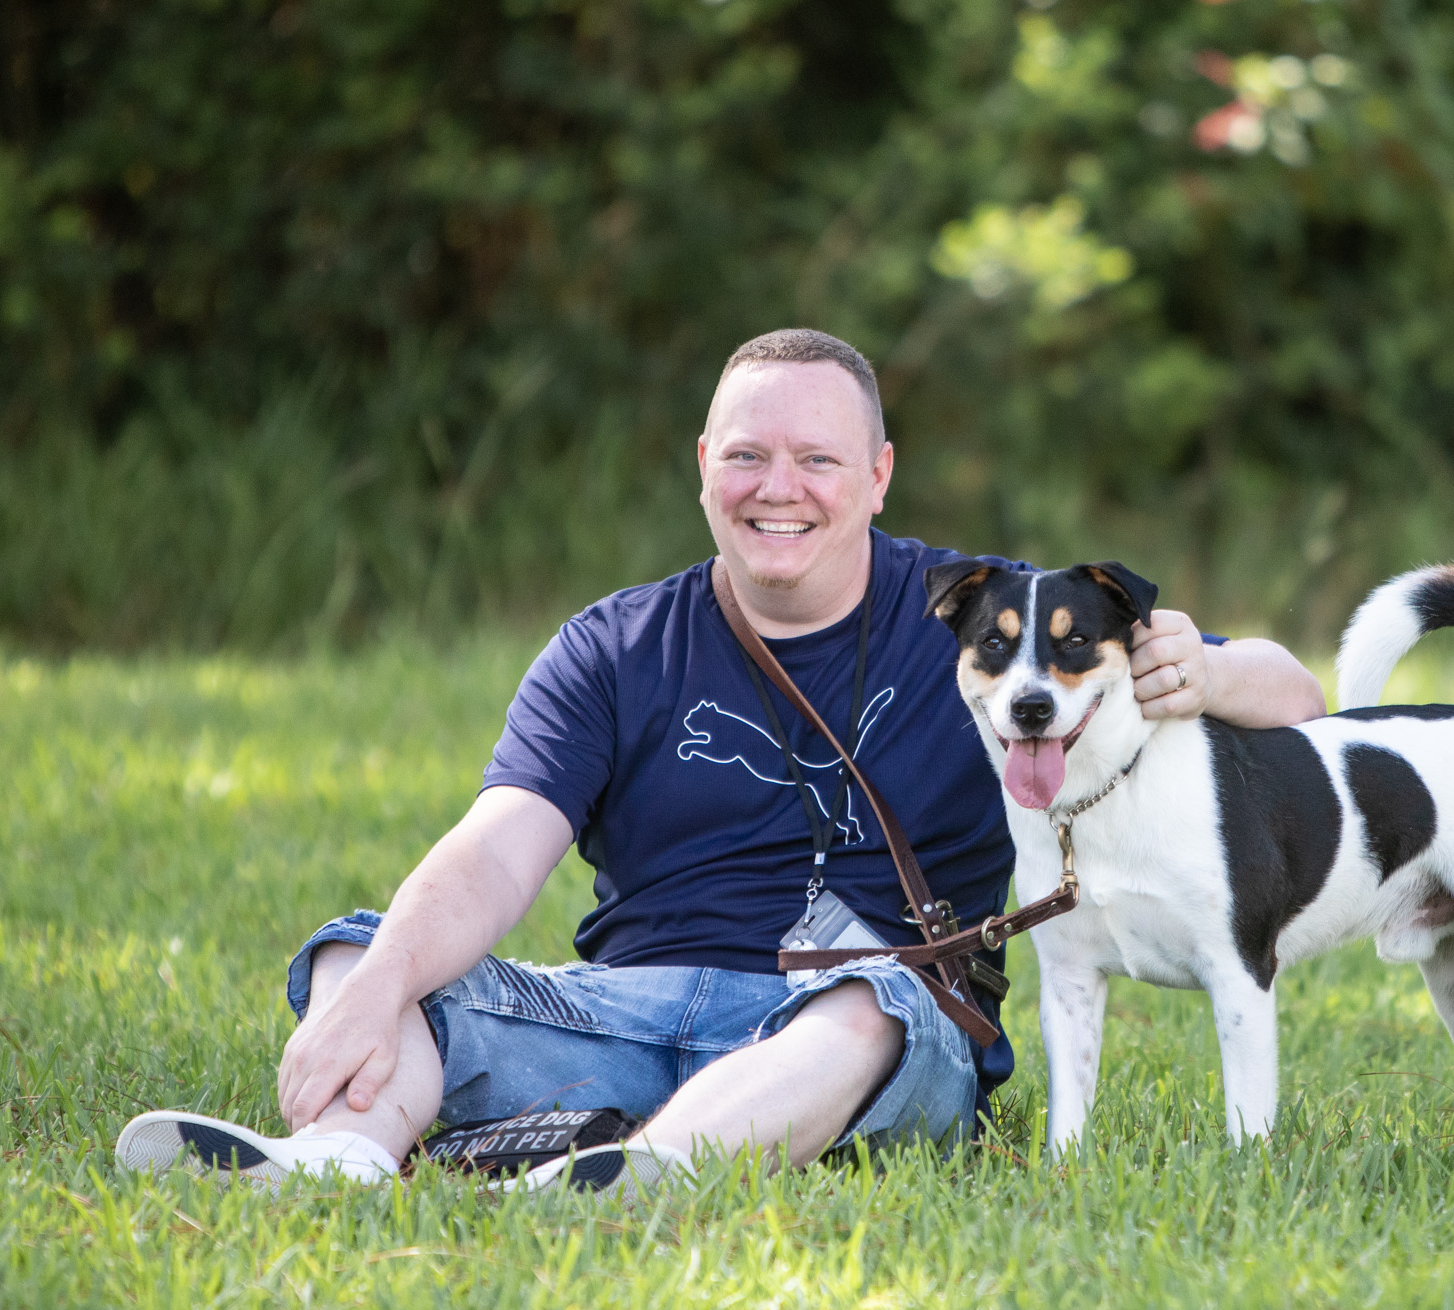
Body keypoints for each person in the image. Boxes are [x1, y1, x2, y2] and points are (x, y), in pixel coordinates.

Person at [115, 328, 1327, 1198]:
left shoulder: (989, 620)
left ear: (877, 474)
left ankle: (640, 1177)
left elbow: (1294, 695)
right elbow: (495, 851)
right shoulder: (611, 644)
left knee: (866, 1005)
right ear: (703, 463)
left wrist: (1205, 675)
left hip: (882, 1018)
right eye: (747, 456)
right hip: (634, 1007)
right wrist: (379, 986)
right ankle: (335, 1167)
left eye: (816, 459)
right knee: (353, 948)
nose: (778, 489)